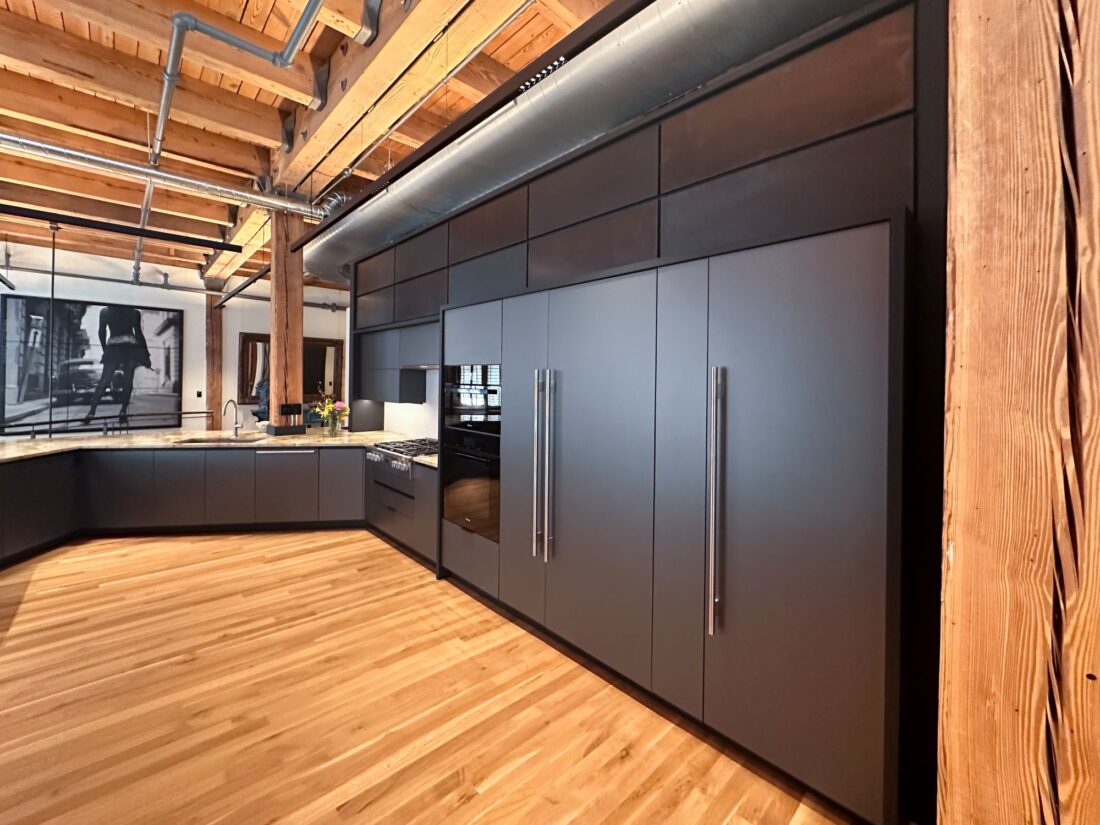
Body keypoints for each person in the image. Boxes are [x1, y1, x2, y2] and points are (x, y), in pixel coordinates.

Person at [81, 305, 151, 426]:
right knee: (128, 381)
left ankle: (91, 413)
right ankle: (123, 412)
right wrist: (146, 355)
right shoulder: (134, 312)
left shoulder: (105, 312)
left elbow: (101, 332)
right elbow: (139, 334)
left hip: (113, 347)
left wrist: (105, 350)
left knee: (104, 381)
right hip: (130, 347)